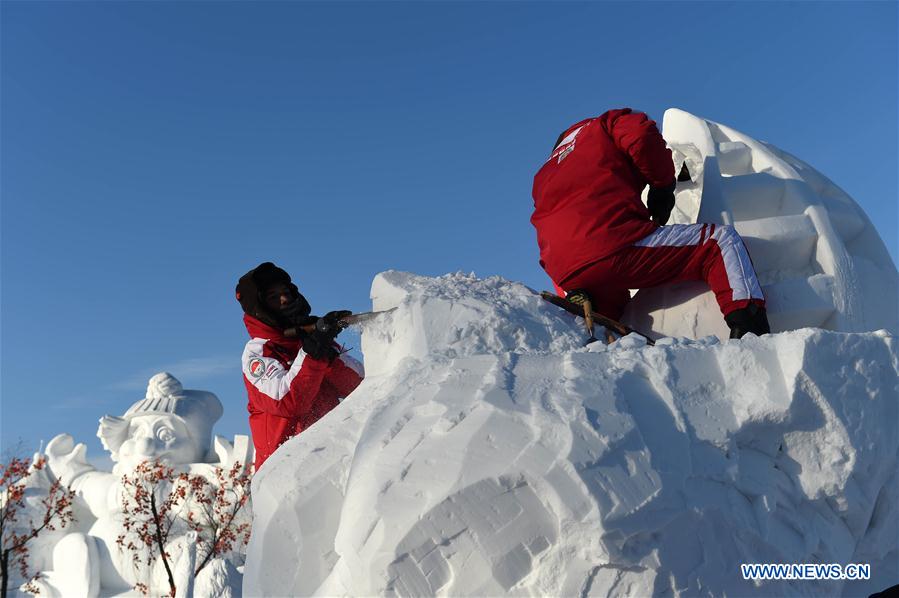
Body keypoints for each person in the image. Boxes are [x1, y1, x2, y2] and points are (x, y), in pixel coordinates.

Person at [531, 108, 770, 339]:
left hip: (565, 272)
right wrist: (662, 185)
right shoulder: (605, 124)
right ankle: (750, 326)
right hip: (611, 242)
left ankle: (597, 318)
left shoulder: (545, 173)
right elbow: (641, 134)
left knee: (613, 302)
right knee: (719, 241)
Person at [236, 262, 364, 469]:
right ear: (260, 308)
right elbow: (287, 402)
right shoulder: (258, 353)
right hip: (284, 474)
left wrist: (326, 354)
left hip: (334, 461)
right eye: (273, 297)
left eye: (286, 292)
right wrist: (313, 354)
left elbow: (360, 386)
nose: (285, 299)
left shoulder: (316, 342)